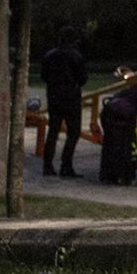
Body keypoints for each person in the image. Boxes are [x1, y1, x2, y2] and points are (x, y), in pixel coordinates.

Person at [40, 30, 88, 177]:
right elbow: (82, 78)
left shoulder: (49, 55)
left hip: (54, 96)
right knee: (73, 132)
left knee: (53, 131)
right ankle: (66, 165)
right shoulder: (76, 56)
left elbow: (44, 76)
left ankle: (47, 165)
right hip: (71, 96)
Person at [98, 69, 137, 185]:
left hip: (109, 117)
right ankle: (124, 175)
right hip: (125, 121)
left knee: (109, 146)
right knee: (124, 148)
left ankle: (107, 175)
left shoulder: (124, 91)